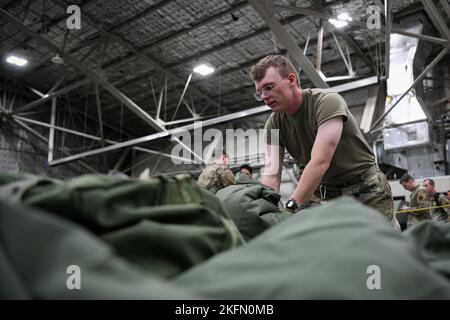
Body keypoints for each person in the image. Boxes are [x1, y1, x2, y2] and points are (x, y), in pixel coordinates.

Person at [251, 55, 397, 227]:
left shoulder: (326, 102)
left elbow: (320, 161)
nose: (265, 96)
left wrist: (290, 206)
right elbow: (271, 174)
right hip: (325, 190)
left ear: (291, 79)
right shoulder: (273, 124)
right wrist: (265, 210)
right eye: (259, 92)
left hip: (365, 185)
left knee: (382, 246)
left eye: (269, 87)